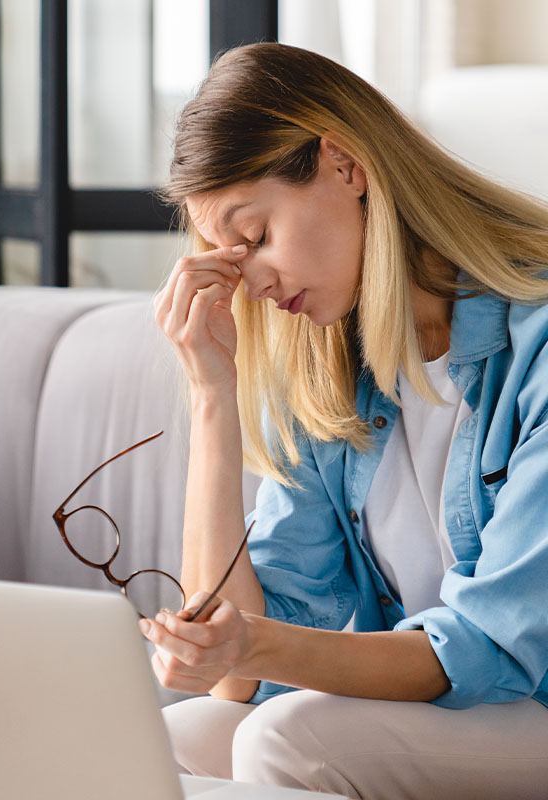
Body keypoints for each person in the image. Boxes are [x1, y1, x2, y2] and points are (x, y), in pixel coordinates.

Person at [142, 42, 548, 799]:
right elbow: (237, 682)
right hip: (473, 721)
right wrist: (211, 395)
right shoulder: (335, 373)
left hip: (532, 700)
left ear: (345, 166)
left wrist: (253, 643)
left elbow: (490, 649)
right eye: (227, 254)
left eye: (256, 237)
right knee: (179, 737)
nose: (250, 282)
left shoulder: (539, 344)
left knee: (288, 739)